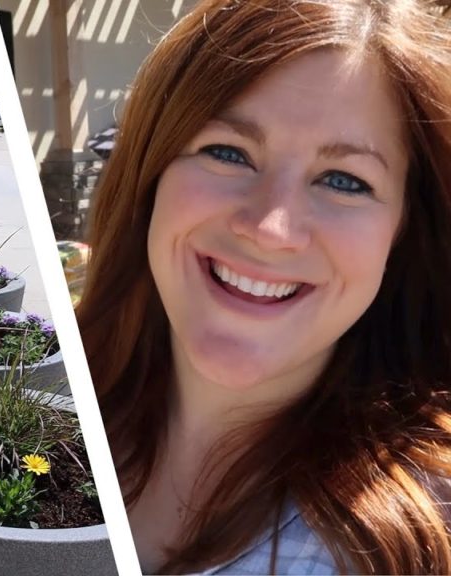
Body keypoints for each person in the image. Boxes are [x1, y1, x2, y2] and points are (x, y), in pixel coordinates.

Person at [75, 0, 451, 573]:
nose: (271, 229)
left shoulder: (425, 533)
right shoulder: (43, 389)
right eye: (229, 152)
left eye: (345, 180)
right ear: (149, 177)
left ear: (403, 232)